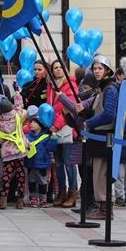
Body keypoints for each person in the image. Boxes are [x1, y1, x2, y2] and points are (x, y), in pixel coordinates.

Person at [82, 55, 119, 220]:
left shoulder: (110, 89)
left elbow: (109, 114)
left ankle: (105, 209)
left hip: (105, 136)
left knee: (101, 174)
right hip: (98, 136)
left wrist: (89, 122)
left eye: (100, 68)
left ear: (107, 71)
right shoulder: (102, 89)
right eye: (95, 68)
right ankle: (103, 207)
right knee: (98, 173)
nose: (97, 71)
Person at [47, 59, 79, 208]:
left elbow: (69, 109)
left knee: (68, 162)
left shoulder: (71, 84)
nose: (58, 69)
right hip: (53, 129)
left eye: (61, 67)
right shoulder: (50, 86)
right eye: (55, 67)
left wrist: (56, 125)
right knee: (58, 162)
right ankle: (62, 192)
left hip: (66, 128)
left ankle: (73, 192)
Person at [0, 98, 28, 210]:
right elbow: (20, 106)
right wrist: (17, 94)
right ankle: (20, 201)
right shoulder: (18, 116)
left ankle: (3, 201)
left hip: (8, 154)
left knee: (6, 177)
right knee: (21, 176)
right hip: (20, 151)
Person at [25, 106, 58, 208]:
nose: (31, 124)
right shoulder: (28, 136)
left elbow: (51, 148)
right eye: (31, 122)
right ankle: (33, 198)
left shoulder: (46, 137)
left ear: (40, 125)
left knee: (43, 182)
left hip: (42, 163)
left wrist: (53, 139)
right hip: (31, 163)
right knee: (31, 181)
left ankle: (43, 198)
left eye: (34, 122)